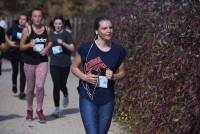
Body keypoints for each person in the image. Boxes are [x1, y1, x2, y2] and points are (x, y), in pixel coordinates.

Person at [71, 16, 126, 134]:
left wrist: (114, 76)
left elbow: (123, 73)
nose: (109, 30)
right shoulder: (87, 48)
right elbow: (74, 67)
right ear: (97, 31)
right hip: (88, 96)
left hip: (107, 98)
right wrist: (85, 77)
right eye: (105, 28)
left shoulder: (118, 50)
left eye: (110, 28)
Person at [20, 8, 52, 123]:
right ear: (31, 18)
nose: (37, 18)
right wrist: (29, 44)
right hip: (29, 62)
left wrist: (47, 48)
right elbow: (21, 46)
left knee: (40, 86)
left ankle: (39, 110)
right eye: (35, 16)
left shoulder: (47, 29)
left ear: (42, 17)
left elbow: (50, 41)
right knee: (30, 89)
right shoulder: (27, 30)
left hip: (42, 61)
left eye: (39, 16)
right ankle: (29, 109)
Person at [49, 16, 75, 117]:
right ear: (53, 24)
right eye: (56, 24)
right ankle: (56, 109)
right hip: (54, 63)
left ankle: (65, 93)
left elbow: (72, 49)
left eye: (60, 24)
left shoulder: (66, 34)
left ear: (62, 24)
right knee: (56, 85)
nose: (58, 26)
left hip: (65, 63)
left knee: (62, 84)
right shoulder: (50, 35)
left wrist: (63, 43)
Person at [6, 14, 28, 99]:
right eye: (21, 19)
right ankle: (14, 84)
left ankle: (22, 92)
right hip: (14, 52)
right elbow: (6, 34)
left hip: (24, 53)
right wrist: (9, 42)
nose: (22, 20)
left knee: (23, 72)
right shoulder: (14, 27)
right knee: (15, 70)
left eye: (24, 19)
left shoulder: (28, 29)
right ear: (19, 20)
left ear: (26, 21)